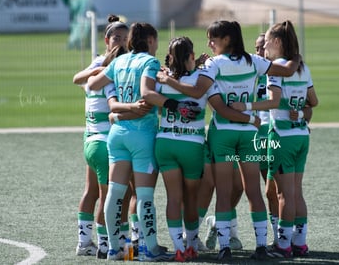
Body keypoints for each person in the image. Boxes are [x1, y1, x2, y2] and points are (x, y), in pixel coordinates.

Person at [156, 20, 301, 261]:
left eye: (213, 38)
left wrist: (167, 81)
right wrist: (295, 54)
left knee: (223, 194)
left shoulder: (214, 64)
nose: (209, 43)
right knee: (254, 191)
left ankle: (224, 247)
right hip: (249, 134)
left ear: (227, 39)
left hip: (222, 133)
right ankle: (261, 246)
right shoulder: (253, 60)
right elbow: (286, 71)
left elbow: (197, 93)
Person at [143, 36, 260, 262]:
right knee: (191, 198)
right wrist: (250, 118)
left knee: (173, 198)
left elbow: (153, 105)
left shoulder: (161, 79)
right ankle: (191, 244)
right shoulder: (203, 78)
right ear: (190, 56)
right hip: (192, 145)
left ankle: (178, 249)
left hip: (165, 142)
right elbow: (220, 107)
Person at [231, 20, 318, 258]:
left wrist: (245, 106)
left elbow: (273, 101)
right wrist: (299, 111)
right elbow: (314, 100)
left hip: (282, 136)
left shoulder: (276, 68)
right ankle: (299, 243)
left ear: (278, 42)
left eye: (267, 41)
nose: (264, 47)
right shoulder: (303, 67)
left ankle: (283, 245)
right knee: (296, 192)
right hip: (301, 135)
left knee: (284, 195)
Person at [87, 22, 173, 261]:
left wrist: (118, 106)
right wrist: (172, 103)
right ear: (151, 41)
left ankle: (115, 249)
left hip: (117, 135)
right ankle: (150, 249)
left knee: (115, 193)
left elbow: (93, 85)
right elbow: (147, 94)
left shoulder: (118, 62)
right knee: (145, 195)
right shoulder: (149, 62)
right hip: (142, 136)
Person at [72, 15, 130, 259]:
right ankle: (106, 244)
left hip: (91, 140)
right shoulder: (107, 67)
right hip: (105, 143)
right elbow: (77, 78)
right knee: (110, 196)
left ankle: (84, 242)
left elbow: (78, 79)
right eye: (117, 37)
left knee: (92, 192)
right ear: (106, 40)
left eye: (125, 38)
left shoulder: (114, 64)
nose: (121, 42)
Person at [254, 32, 279, 248]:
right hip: (249, 139)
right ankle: (223, 227)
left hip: (272, 139)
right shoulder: (249, 73)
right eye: (257, 48)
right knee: (235, 190)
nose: (260, 51)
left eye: (263, 47)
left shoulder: (281, 74)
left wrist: (301, 115)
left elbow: (306, 103)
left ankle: (278, 237)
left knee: (271, 190)